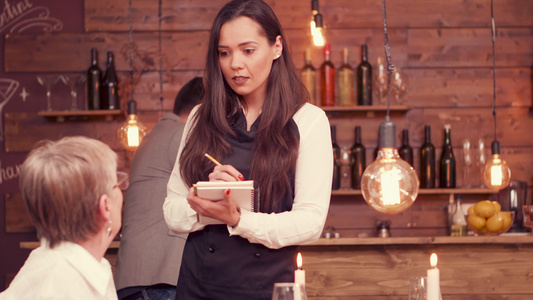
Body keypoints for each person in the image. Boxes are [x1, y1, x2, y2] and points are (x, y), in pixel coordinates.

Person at [163, 0, 333, 299]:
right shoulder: (200, 117)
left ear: (276, 47)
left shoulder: (308, 120)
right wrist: (204, 201)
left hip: (269, 288)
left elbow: (310, 223)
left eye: (248, 50)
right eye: (224, 53)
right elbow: (172, 213)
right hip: (198, 285)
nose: (235, 64)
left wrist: (238, 219)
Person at [0, 136, 125, 300]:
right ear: (106, 206)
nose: (122, 191)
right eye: (117, 184)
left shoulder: (87, 266)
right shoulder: (62, 288)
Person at [115, 77, 205, 300]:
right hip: (159, 279)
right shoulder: (180, 135)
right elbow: (217, 187)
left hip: (142, 279)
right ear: (201, 111)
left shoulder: (155, 136)